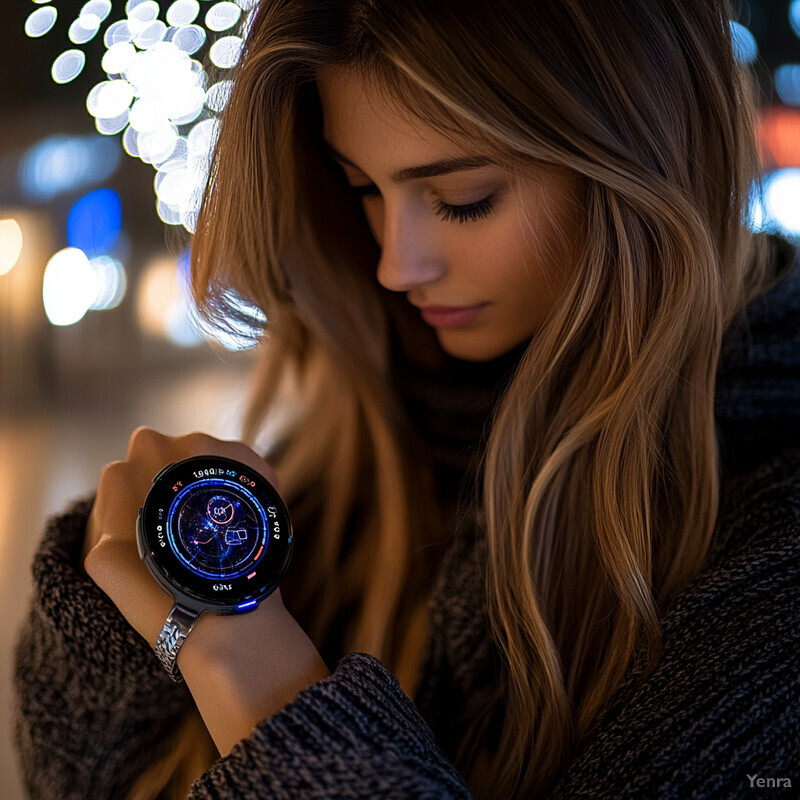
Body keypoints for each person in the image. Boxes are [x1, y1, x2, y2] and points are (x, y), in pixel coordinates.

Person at [13, 0, 800, 798]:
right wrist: (111, 639)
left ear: (648, 159)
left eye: (463, 197)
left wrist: (245, 660)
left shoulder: (773, 546)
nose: (396, 264)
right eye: (363, 189)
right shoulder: (332, 479)